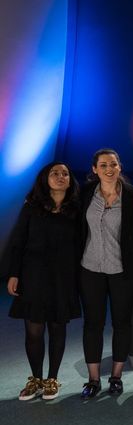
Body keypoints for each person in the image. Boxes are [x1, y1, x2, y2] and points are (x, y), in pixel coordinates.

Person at [3, 162, 81, 400]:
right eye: (54, 173)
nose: (60, 177)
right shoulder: (32, 207)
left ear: (70, 180)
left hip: (64, 276)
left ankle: (52, 380)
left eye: (65, 173)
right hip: (33, 275)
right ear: (45, 178)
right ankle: (35, 379)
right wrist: (13, 273)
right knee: (34, 331)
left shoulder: (77, 209)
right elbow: (18, 241)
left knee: (58, 328)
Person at [78, 149, 133, 400]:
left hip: (122, 270)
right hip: (90, 267)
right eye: (103, 165)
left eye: (113, 164)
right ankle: (93, 379)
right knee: (92, 324)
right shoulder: (84, 194)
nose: (109, 169)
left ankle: (116, 377)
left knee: (121, 323)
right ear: (94, 169)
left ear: (119, 167)